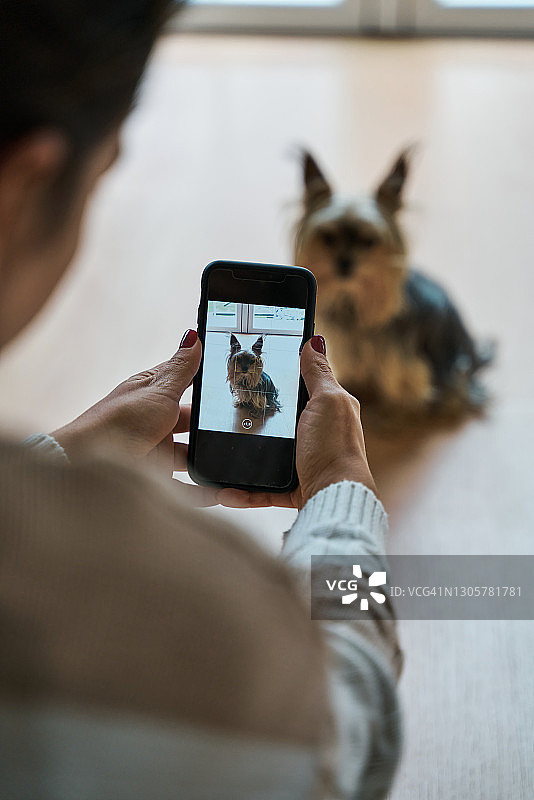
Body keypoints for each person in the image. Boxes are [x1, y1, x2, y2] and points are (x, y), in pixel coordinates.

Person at [0, 2, 402, 798]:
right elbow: (348, 726)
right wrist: (341, 496)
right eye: (105, 171)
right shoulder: (194, 616)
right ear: (21, 185)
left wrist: (59, 461)